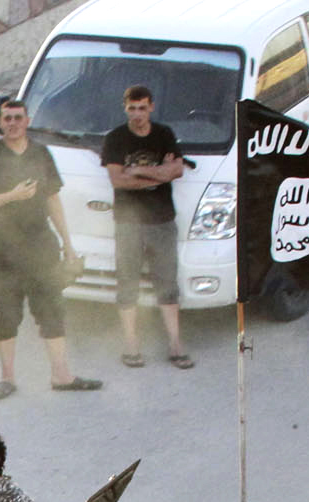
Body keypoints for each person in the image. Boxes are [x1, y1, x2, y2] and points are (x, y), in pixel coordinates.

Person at [0, 98, 101, 401]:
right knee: (5, 313)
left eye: (18, 118)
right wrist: (10, 196)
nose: (12, 123)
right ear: (0, 124)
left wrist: (68, 244)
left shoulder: (41, 154)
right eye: (7, 118)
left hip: (40, 246)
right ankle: (7, 378)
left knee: (51, 309)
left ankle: (61, 375)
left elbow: (52, 199)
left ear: (27, 121)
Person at [101, 85, 192, 370]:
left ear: (151, 107)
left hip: (161, 219)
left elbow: (176, 170)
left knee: (167, 283)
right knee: (127, 282)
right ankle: (130, 344)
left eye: (142, 108)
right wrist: (159, 175)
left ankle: (176, 345)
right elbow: (117, 180)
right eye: (132, 108)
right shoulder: (116, 138)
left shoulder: (164, 134)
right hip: (128, 222)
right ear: (125, 107)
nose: (137, 114)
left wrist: (138, 171)